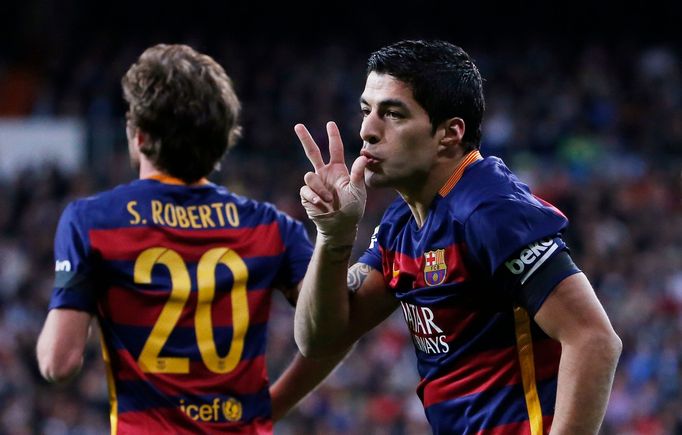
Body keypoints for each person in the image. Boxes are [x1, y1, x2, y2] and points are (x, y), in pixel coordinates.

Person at [293, 40, 622, 434]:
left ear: (450, 133)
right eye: (366, 111)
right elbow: (321, 338)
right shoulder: (402, 222)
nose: (367, 131)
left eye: (393, 114)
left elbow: (594, 340)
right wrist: (333, 238)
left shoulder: (489, 210)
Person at [36, 43, 344, 434]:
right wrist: (273, 403)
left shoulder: (91, 221)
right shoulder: (270, 226)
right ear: (220, 142)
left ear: (141, 137)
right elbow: (336, 329)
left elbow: (58, 363)